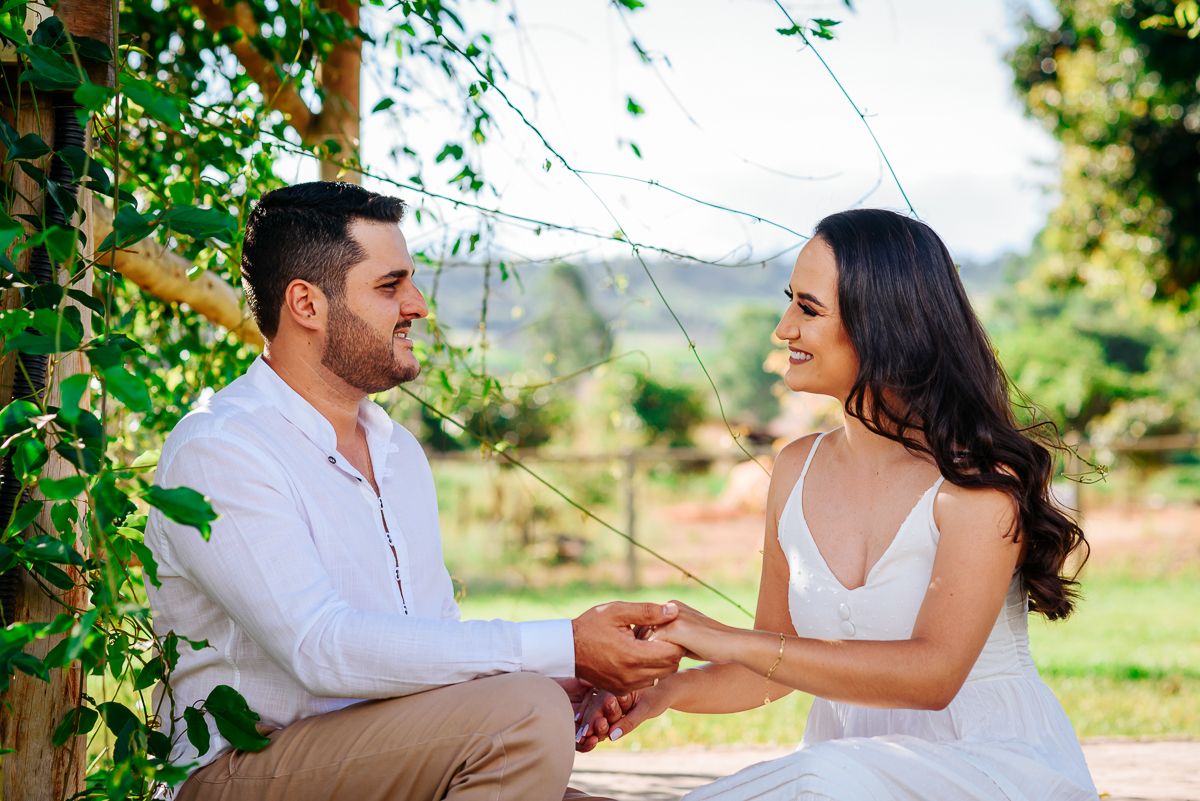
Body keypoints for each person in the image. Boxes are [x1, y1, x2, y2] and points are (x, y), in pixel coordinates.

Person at [145, 181, 684, 801]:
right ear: (306, 304)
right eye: (389, 285)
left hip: (381, 755)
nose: (418, 304)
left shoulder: (399, 452)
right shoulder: (222, 448)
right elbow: (319, 648)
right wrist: (559, 648)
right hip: (241, 770)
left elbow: (429, 651)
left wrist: (570, 675)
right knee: (524, 710)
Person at [577, 209, 1100, 801]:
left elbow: (934, 675)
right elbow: (770, 667)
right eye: (789, 302)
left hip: (988, 768)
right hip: (843, 775)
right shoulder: (795, 470)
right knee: (823, 775)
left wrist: (722, 637)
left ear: (884, 323)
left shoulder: (978, 484)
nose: (783, 329)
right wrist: (662, 694)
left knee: (820, 777)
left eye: (808, 308)